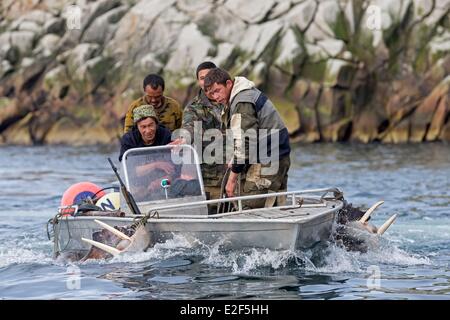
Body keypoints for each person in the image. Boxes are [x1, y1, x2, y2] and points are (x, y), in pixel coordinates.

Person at [204, 68, 291, 209]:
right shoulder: (239, 96)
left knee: (248, 205)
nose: (215, 97)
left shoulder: (241, 101)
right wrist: (234, 159)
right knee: (274, 203)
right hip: (273, 154)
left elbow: (245, 142)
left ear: (228, 84)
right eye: (211, 94)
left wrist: (231, 180)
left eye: (217, 90)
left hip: (269, 156)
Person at [172, 61, 226, 202]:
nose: (206, 81)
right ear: (198, 81)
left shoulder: (229, 99)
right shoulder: (193, 108)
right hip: (210, 175)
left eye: (210, 76)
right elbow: (189, 127)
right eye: (202, 78)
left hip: (236, 168)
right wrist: (184, 139)